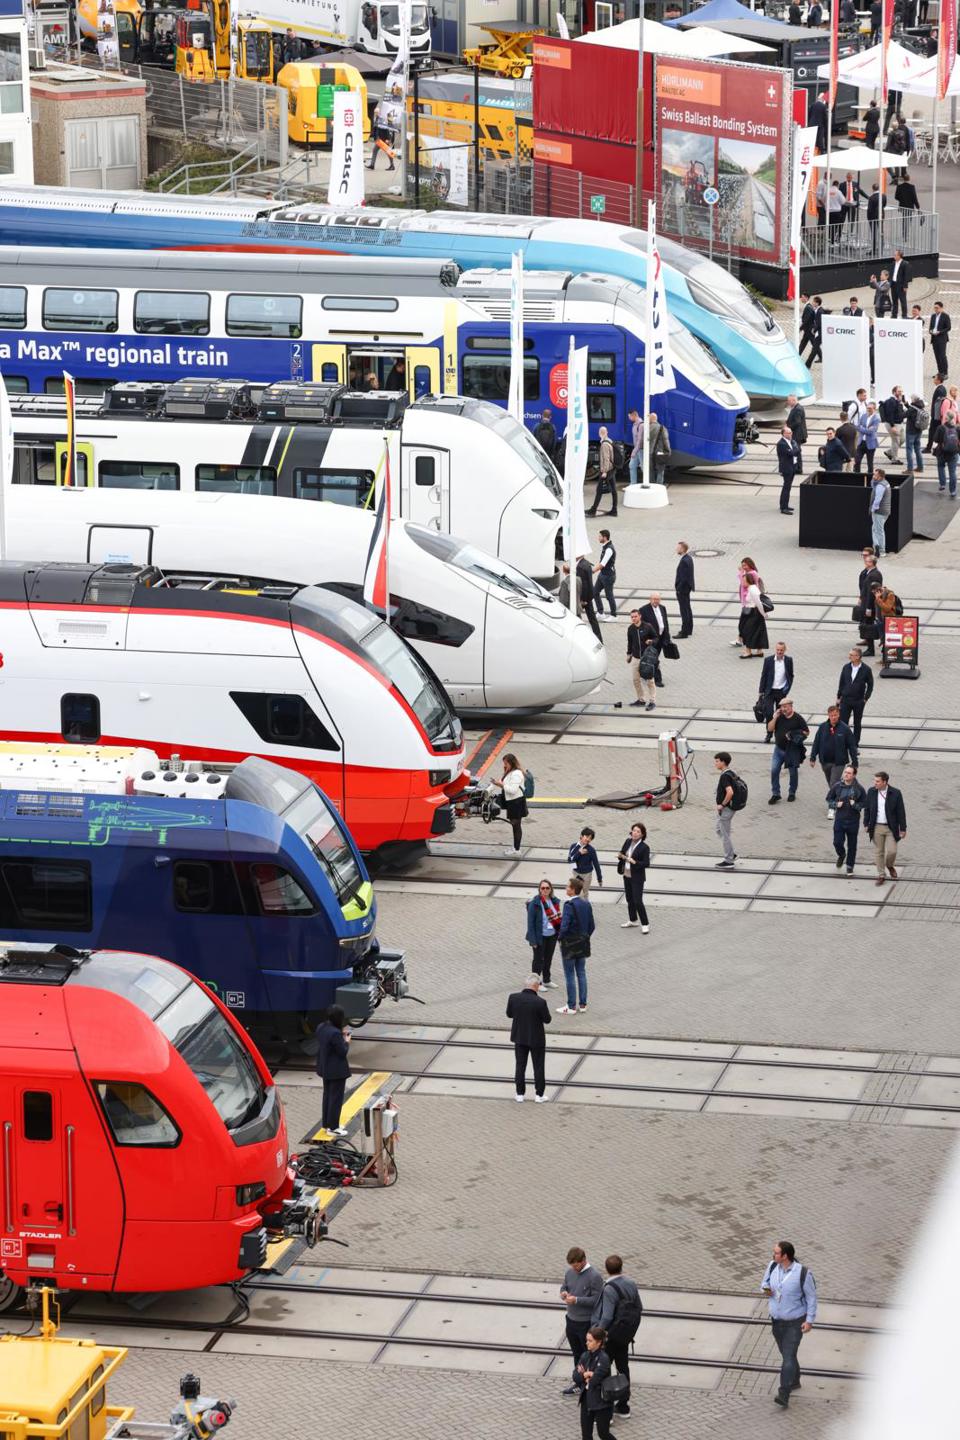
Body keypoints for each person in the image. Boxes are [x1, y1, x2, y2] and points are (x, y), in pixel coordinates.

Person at [761, 1240, 818, 1409]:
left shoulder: (803, 1274)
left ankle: (784, 1393)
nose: (773, 1255)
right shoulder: (772, 1266)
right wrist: (766, 1289)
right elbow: (763, 1284)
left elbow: (811, 1298)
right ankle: (794, 1381)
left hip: (795, 1321)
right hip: (776, 1321)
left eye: (776, 1253)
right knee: (788, 1356)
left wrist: (809, 1321)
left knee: (788, 1356)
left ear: (785, 1256)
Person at [590, 1256, 642, 1419]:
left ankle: (607, 1410)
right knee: (623, 1367)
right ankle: (623, 1405)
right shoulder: (631, 1283)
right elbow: (639, 1307)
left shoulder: (609, 1289)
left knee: (603, 1369)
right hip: (624, 1334)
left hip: (610, 1336)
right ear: (621, 1267)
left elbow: (606, 1317)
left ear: (606, 1269)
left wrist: (596, 1333)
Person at [560, 1251, 605, 1399]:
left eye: (577, 1265)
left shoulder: (594, 1276)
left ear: (584, 1260)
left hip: (585, 1322)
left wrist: (577, 1300)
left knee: (587, 1354)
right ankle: (579, 1382)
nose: (574, 1268)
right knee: (577, 1354)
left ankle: (590, 1382)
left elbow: (597, 1300)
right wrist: (563, 1293)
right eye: (572, 1266)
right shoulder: (569, 1272)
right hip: (571, 1320)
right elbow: (564, 1286)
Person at [506, 974, 551, 1101]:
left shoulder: (513, 998)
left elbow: (509, 1014)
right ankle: (539, 1095)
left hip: (519, 1037)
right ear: (536, 986)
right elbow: (547, 1020)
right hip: (536, 1039)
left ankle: (520, 1094)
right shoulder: (540, 1002)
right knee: (538, 1066)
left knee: (520, 1065)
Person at [809, 704, 858, 813]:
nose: (834, 717)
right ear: (828, 715)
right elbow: (816, 742)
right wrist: (813, 757)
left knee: (833, 783)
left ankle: (833, 805)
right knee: (832, 783)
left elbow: (852, 746)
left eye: (835, 715)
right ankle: (843, 796)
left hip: (839, 762)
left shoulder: (845, 729)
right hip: (825, 761)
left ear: (839, 714)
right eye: (832, 715)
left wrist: (855, 762)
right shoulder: (822, 727)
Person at [556, 877, 594, 1016]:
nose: (566, 888)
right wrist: (585, 936)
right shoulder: (586, 903)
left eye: (567, 887)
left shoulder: (568, 905)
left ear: (572, 890)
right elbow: (592, 925)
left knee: (570, 974)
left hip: (570, 943)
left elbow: (564, 926)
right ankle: (583, 1004)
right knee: (581, 973)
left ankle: (571, 1005)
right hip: (583, 942)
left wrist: (560, 938)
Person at [864, 770, 907, 885]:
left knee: (892, 851)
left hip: (891, 828)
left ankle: (889, 865)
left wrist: (903, 828)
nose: (875, 783)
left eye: (878, 781)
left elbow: (901, 812)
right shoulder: (871, 792)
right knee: (879, 852)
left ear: (885, 782)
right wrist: (866, 823)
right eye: (875, 781)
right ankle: (881, 875)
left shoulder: (896, 793)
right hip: (876, 827)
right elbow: (867, 809)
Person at [315, 1005, 352, 1136]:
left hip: (325, 1068)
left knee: (327, 1096)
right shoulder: (335, 1033)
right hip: (336, 1071)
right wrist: (346, 1041)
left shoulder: (321, 1027)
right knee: (336, 1099)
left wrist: (338, 1035)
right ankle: (334, 1127)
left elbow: (327, 1040)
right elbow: (342, 1052)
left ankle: (326, 1124)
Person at [573, 1327, 615, 1439]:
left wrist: (586, 1375)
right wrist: (587, 1375)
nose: (587, 1343)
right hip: (586, 1401)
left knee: (603, 1434)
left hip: (601, 1403)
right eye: (587, 1340)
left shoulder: (604, 1359)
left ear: (599, 1342)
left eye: (590, 1341)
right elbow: (575, 1376)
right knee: (586, 1435)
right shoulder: (585, 1356)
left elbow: (595, 1380)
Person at [767, 697, 809, 804]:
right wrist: (775, 717)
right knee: (774, 770)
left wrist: (794, 734)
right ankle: (776, 794)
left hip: (792, 750)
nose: (783, 709)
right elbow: (769, 729)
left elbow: (806, 732)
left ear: (791, 706)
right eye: (782, 707)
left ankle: (792, 792)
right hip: (778, 749)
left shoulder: (798, 718)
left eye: (785, 707)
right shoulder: (779, 717)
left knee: (793, 772)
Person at [828, 765, 867, 874]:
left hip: (853, 821)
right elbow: (829, 799)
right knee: (837, 842)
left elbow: (865, 803)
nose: (846, 774)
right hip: (840, 820)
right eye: (845, 772)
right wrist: (835, 804)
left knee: (852, 845)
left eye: (849, 773)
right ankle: (841, 854)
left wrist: (855, 805)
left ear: (854, 775)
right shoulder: (837, 786)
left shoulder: (859, 789)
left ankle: (850, 866)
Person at [526, 879, 561, 988]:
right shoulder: (535, 903)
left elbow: (558, 918)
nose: (545, 890)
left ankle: (546, 980)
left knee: (548, 958)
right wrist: (533, 940)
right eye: (543, 888)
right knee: (538, 960)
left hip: (552, 935)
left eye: (547, 888)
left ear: (550, 889)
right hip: (539, 936)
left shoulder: (554, 901)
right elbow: (530, 923)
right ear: (539, 890)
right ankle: (536, 983)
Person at [617, 822, 650, 933]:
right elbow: (622, 853)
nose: (635, 833)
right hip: (626, 874)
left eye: (638, 832)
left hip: (637, 877)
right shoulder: (627, 841)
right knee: (629, 899)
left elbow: (646, 863)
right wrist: (620, 856)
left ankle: (645, 924)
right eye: (634, 830)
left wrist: (634, 862)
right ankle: (633, 920)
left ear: (642, 834)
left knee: (637, 901)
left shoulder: (644, 847)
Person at [492, 752, 528, 853]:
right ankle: (516, 848)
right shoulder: (510, 772)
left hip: (516, 802)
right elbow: (506, 784)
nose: (504, 765)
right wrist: (497, 783)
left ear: (511, 763)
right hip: (512, 802)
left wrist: (501, 785)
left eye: (506, 763)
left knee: (516, 826)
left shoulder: (516, 774)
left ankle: (517, 850)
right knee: (515, 825)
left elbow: (512, 790)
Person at [837, 646, 874, 743]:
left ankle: (855, 743)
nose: (849, 657)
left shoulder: (866, 669)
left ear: (858, 656)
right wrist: (838, 697)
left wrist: (866, 698)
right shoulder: (846, 667)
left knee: (857, 723)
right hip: (845, 699)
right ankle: (844, 742)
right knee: (843, 722)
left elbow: (870, 684)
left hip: (858, 700)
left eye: (851, 655)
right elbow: (841, 682)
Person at [758, 640, 793, 741]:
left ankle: (779, 733)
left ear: (784, 650)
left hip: (781, 692)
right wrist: (761, 691)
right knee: (769, 712)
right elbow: (763, 675)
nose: (779, 652)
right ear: (775, 650)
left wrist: (787, 689)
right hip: (769, 691)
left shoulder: (788, 660)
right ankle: (769, 733)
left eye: (781, 650)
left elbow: (790, 675)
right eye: (778, 650)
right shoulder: (768, 660)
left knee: (781, 713)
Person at [639, 592, 672, 687]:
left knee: (654, 658)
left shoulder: (662, 608)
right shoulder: (644, 610)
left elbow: (665, 623)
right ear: (650, 599)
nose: (655, 601)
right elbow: (642, 626)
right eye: (653, 599)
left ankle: (646, 673)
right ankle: (658, 679)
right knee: (655, 658)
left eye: (657, 599)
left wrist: (667, 637)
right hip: (651, 639)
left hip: (661, 638)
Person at [625, 608, 656, 708]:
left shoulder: (648, 626)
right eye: (632, 617)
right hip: (636, 658)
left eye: (635, 616)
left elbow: (656, 637)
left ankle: (652, 701)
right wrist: (628, 654)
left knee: (650, 680)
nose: (633, 619)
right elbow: (629, 643)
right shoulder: (630, 629)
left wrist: (651, 641)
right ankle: (641, 699)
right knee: (636, 680)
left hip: (646, 658)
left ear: (640, 616)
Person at [714, 751, 740, 868]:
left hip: (726, 809)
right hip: (729, 808)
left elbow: (730, 792)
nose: (715, 763)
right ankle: (731, 853)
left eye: (717, 761)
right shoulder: (731, 773)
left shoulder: (725, 776)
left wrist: (722, 805)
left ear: (723, 762)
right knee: (719, 830)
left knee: (724, 834)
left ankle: (729, 860)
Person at [586, 426, 618, 516]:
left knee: (599, 490)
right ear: (607, 432)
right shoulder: (609, 441)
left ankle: (593, 510)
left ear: (600, 433)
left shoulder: (604, 444)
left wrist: (604, 471)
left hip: (607, 470)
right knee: (614, 490)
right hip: (611, 469)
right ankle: (614, 510)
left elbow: (606, 459)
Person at [739, 567, 768, 658]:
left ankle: (748, 651)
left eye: (744, 580)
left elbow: (759, 603)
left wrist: (763, 614)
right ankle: (759, 651)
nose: (742, 582)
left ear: (749, 581)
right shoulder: (751, 588)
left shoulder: (753, 590)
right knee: (757, 631)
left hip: (753, 613)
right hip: (752, 613)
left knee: (747, 631)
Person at [933, 408, 959, 498]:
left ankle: (942, 484)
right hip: (954, 453)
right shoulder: (957, 428)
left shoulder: (941, 428)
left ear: (946, 418)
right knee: (952, 472)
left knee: (940, 466)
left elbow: (935, 439)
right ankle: (952, 491)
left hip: (941, 452)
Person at [568, 827, 602, 896]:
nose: (588, 839)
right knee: (576, 893)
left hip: (587, 875)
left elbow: (596, 864)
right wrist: (579, 853)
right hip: (576, 873)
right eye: (587, 836)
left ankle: (585, 906)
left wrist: (599, 878)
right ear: (581, 836)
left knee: (584, 893)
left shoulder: (591, 850)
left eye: (590, 838)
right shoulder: (574, 846)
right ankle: (577, 906)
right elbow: (570, 860)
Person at [577, 555, 603, 643]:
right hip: (589, 596)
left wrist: (583, 600)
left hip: (584, 598)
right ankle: (599, 639)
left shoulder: (581, 567)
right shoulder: (586, 563)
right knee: (592, 619)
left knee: (576, 616)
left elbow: (584, 585)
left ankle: (581, 638)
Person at [776, 425, 800, 514]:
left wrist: (795, 449)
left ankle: (784, 504)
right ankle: (783, 507)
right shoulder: (781, 443)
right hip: (786, 468)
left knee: (788, 487)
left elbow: (797, 451)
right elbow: (793, 452)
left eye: (791, 432)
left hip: (792, 467)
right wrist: (795, 449)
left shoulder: (791, 441)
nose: (790, 434)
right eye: (788, 433)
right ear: (783, 434)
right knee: (786, 487)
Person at [593, 530, 617, 619]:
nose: (598, 538)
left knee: (609, 595)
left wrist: (592, 571)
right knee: (595, 592)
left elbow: (602, 564)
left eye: (600, 536)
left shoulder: (609, 549)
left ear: (605, 537)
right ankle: (600, 612)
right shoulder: (605, 547)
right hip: (603, 574)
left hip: (608, 576)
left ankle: (614, 615)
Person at [880, 386, 905, 465]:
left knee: (902, 439)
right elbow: (889, 414)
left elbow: (900, 412)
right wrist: (892, 426)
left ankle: (889, 452)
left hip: (900, 423)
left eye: (901, 391)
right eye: (899, 391)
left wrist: (901, 402)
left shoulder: (898, 401)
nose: (901, 393)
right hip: (893, 424)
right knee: (896, 441)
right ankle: (895, 459)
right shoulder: (891, 401)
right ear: (894, 392)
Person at [869, 468, 891, 557]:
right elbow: (872, 485)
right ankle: (876, 546)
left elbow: (877, 499)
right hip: (885, 510)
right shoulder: (885, 483)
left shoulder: (880, 486)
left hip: (879, 511)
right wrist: (873, 479)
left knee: (878, 530)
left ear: (880, 476)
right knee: (875, 529)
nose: (873, 476)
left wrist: (873, 509)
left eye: (875, 475)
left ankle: (881, 550)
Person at [675, 540, 695, 637]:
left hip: (682, 589)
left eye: (678, 548)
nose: (676, 549)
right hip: (687, 588)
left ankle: (684, 632)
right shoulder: (688, 558)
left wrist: (678, 588)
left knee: (684, 610)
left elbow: (684, 578)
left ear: (682, 549)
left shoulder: (684, 561)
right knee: (687, 609)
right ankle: (689, 629)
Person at [855, 402, 881, 477]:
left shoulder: (876, 418)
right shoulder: (863, 416)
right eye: (867, 408)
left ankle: (870, 478)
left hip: (870, 443)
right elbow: (858, 427)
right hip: (861, 442)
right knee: (857, 461)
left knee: (870, 463)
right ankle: (857, 476)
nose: (868, 410)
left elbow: (871, 431)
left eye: (870, 408)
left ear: (874, 409)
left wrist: (863, 428)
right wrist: (865, 429)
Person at [904, 394, 927, 477]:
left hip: (910, 432)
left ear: (913, 400)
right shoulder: (921, 405)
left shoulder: (912, 409)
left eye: (911, 399)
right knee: (917, 449)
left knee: (909, 450)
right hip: (919, 431)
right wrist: (907, 405)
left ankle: (910, 469)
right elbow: (913, 412)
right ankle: (920, 467)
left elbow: (904, 415)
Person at [647, 411, 671, 485]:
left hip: (649, 452)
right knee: (660, 470)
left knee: (650, 471)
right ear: (656, 419)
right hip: (659, 452)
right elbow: (665, 441)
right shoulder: (662, 428)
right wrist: (668, 451)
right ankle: (659, 486)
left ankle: (652, 485)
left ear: (651, 419)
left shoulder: (646, 428)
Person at [926, 374, 947, 453]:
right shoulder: (941, 388)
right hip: (937, 415)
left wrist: (936, 416)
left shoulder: (939, 390)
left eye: (935, 378)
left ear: (938, 380)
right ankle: (938, 447)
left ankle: (929, 447)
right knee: (938, 431)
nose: (934, 379)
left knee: (932, 431)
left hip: (936, 415)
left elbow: (938, 404)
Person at [930, 302, 951, 376]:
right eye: (934, 307)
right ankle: (940, 372)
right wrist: (931, 331)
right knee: (937, 356)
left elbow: (948, 327)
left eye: (937, 308)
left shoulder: (945, 316)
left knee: (942, 356)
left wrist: (940, 332)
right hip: (934, 338)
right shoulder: (933, 316)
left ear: (941, 308)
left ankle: (945, 373)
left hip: (942, 339)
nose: (935, 309)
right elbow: (931, 327)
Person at [785, 393, 807, 463]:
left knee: (797, 451)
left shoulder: (798, 409)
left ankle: (798, 468)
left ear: (794, 400)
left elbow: (797, 422)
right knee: (796, 450)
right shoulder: (795, 408)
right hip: (796, 434)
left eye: (789, 400)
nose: (788, 402)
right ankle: (797, 467)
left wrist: (788, 428)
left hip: (797, 434)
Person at [890, 248, 911, 318]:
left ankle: (904, 315)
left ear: (899, 256)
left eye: (895, 255)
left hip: (901, 285)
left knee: (903, 301)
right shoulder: (893, 263)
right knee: (894, 301)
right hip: (893, 284)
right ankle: (894, 315)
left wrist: (905, 286)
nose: (894, 256)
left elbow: (907, 276)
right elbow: (892, 273)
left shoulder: (905, 264)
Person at [804, 296, 823, 367]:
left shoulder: (820, 311)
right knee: (814, 349)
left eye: (814, 302)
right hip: (818, 333)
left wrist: (813, 330)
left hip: (820, 334)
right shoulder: (817, 310)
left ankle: (807, 365)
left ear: (817, 303)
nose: (812, 303)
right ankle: (808, 364)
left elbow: (819, 323)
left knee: (814, 349)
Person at [866, 184, 886, 253]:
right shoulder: (883, 196)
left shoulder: (871, 198)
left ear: (873, 189)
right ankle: (882, 245)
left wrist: (868, 218)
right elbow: (884, 204)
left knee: (874, 232)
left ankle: (874, 248)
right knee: (881, 231)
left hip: (873, 217)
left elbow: (870, 209)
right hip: (881, 215)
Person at [627, 407, 642, 485]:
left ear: (634, 415)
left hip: (641, 450)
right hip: (637, 449)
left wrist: (634, 451)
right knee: (632, 465)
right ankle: (633, 484)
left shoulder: (641, 425)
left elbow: (640, 440)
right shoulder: (634, 425)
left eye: (629, 416)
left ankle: (647, 483)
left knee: (643, 467)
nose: (629, 418)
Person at [798, 294, 815, 359]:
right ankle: (798, 354)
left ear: (806, 298)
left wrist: (800, 328)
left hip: (809, 329)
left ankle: (821, 356)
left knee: (814, 344)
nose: (801, 299)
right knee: (803, 343)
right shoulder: (808, 306)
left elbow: (806, 320)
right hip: (807, 329)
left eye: (802, 297)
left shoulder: (808, 307)